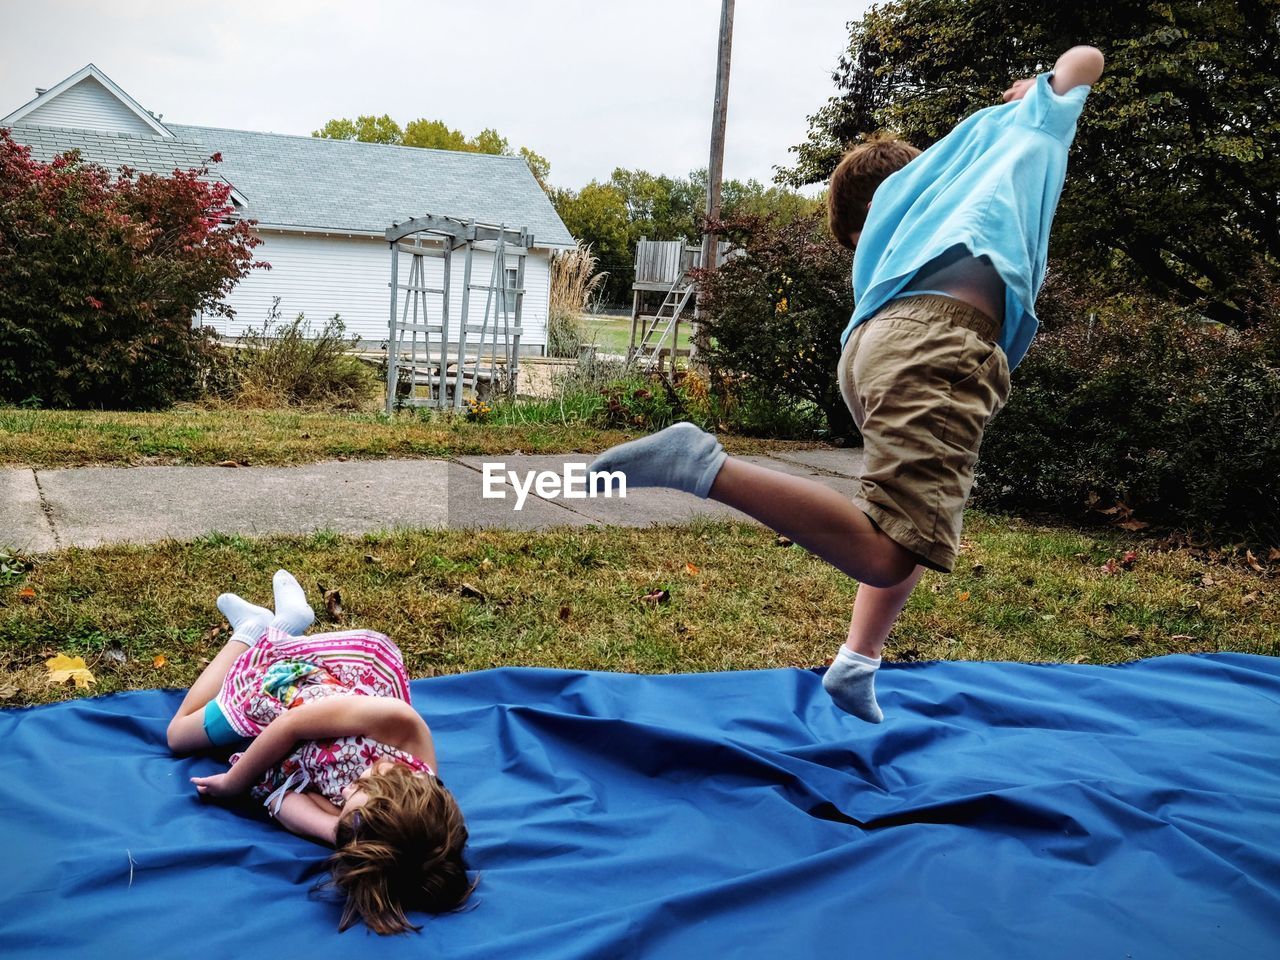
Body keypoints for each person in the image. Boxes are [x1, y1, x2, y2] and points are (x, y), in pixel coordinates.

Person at [588, 46, 1106, 723]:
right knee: (891, 551)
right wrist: (1037, 90)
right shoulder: (1018, 132)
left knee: (914, 518)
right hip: (941, 346)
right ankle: (700, 466)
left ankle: (858, 660)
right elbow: (1086, 59)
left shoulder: (898, 212)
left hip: (874, 351)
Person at [166, 569, 473, 935]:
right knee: (177, 735)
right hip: (290, 695)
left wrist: (336, 832)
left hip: (296, 754)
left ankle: (283, 621)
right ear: (392, 785)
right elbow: (290, 725)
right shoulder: (402, 727)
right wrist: (234, 782)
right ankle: (252, 632)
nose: (343, 794)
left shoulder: (367, 824)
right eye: (356, 789)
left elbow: (282, 803)